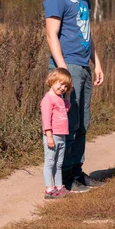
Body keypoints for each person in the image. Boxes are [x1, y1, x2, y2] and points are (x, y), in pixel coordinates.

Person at [43, 0, 104, 192]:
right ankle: (65, 177)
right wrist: (62, 69)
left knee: (82, 123)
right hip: (67, 66)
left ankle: (77, 172)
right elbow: (51, 35)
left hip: (84, 66)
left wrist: (96, 63)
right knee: (65, 124)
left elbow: (87, 34)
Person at [41, 68, 73, 199]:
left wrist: (68, 94)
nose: (63, 87)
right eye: (60, 83)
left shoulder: (60, 99)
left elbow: (66, 107)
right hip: (52, 136)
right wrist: (49, 136)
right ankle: (49, 189)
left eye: (66, 86)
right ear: (52, 80)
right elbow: (46, 120)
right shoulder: (48, 99)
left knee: (59, 164)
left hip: (62, 136)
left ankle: (59, 187)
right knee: (50, 163)